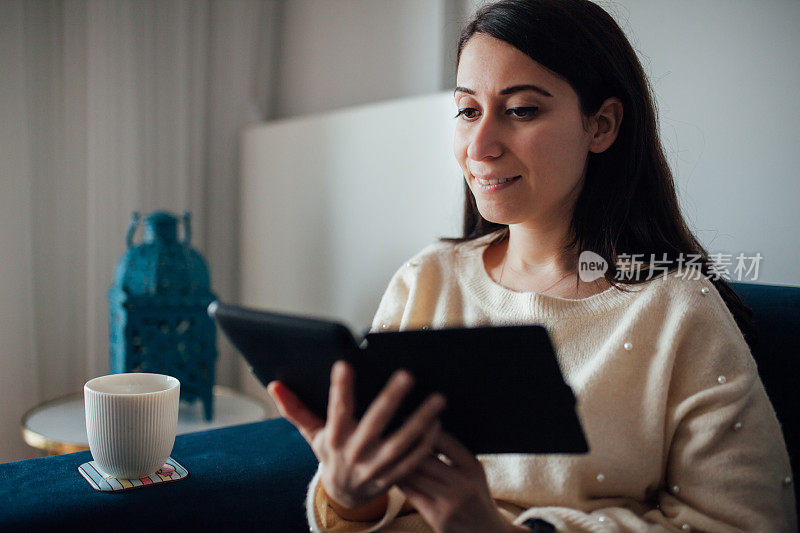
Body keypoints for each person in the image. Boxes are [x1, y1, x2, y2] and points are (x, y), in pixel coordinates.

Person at [268, 0, 798, 531]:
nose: (480, 145)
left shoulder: (675, 309)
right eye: (468, 110)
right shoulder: (426, 280)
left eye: (521, 110)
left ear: (602, 126)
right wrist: (347, 494)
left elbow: (745, 521)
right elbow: (375, 493)